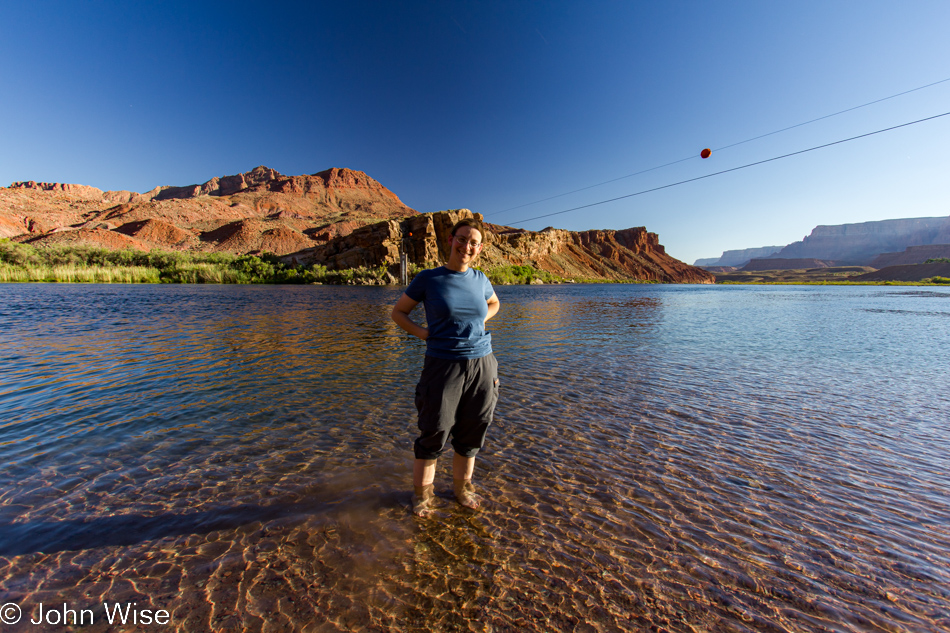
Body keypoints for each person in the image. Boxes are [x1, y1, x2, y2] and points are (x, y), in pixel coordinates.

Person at [391, 218, 501, 516]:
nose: (467, 246)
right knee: (434, 430)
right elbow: (399, 313)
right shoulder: (429, 279)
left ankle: (462, 489)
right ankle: (422, 495)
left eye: (473, 242)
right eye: (462, 239)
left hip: (482, 364)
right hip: (443, 364)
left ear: (479, 248)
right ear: (451, 240)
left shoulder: (480, 279)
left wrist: (479, 323)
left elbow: (494, 304)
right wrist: (425, 334)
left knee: (472, 430)